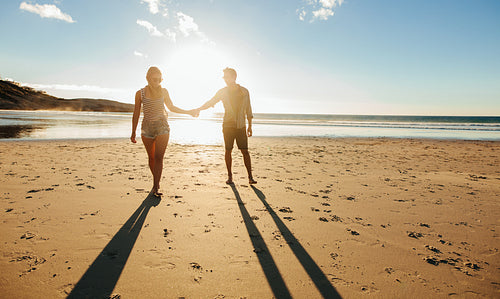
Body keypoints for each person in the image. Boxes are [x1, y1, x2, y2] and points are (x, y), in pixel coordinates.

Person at [131, 66, 198, 196]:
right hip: (147, 128)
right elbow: (136, 113)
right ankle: (156, 181)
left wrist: (188, 112)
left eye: (159, 80)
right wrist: (133, 131)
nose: (156, 82)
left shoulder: (164, 91)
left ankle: (155, 187)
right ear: (148, 78)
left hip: (162, 126)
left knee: (158, 157)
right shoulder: (140, 93)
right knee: (151, 158)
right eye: (153, 79)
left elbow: (171, 107)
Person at [196, 67, 257, 185]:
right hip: (228, 125)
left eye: (227, 76)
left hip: (241, 126)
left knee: (245, 151)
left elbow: (248, 109)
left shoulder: (244, 91)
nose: (224, 79)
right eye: (224, 77)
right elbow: (211, 102)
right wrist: (199, 109)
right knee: (228, 150)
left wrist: (250, 126)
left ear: (234, 77)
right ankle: (230, 177)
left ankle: (250, 176)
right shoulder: (222, 92)